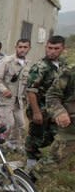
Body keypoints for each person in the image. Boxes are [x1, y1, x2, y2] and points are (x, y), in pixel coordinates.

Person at [25, 35, 67, 169]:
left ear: (62, 49)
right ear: (46, 47)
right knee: (35, 136)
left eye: (56, 48)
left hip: (54, 109)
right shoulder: (40, 67)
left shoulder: (62, 65)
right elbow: (31, 91)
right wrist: (37, 112)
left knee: (54, 136)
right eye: (50, 48)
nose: (52, 51)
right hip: (40, 108)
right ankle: (31, 162)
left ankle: (47, 160)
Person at [0, 39, 31, 153]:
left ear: (29, 48)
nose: (22, 49)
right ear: (16, 47)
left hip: (18, 100)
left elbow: (25, 83)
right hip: (4, 100)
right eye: (20, 47)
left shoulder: (27, 64)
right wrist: (4, 90)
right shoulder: (7, 61)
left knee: (21, 124)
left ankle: (13, 144)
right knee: (7, 124)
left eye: (25, 47)